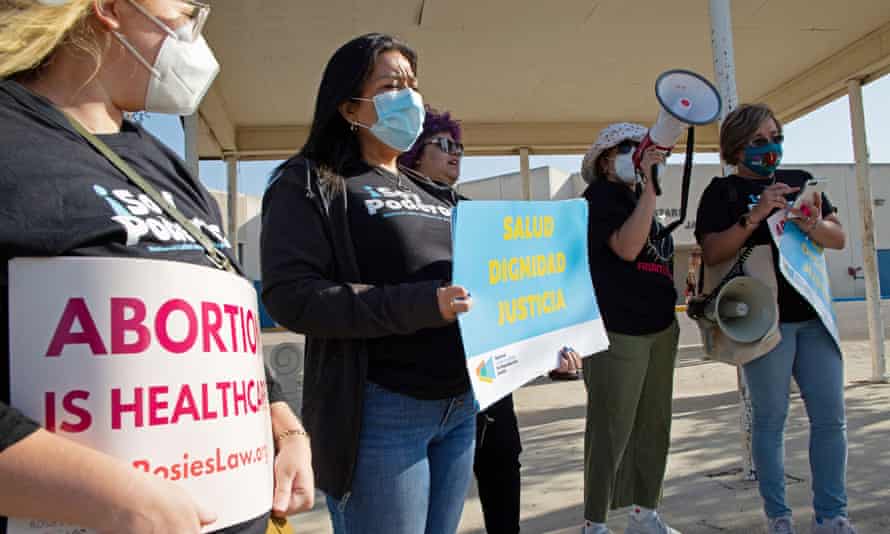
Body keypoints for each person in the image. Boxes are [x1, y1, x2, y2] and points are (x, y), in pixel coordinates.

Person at [0, 1, 313, 533]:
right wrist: (104, 495)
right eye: (188, 12)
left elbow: (212, 325)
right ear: (109, 9)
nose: (197, 34)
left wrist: (281, 422)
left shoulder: (161, 164)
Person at [260, 34, 477, 534]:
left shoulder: (436, 191)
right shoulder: (310, 180)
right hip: (382, 412)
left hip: (459, 408)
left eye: (414, 85)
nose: (411, 98)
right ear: (348, 107)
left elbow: (486, 280)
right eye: (391, 84)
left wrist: (541, 332)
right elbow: (292, 296)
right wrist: (423, 304)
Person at [399, 108, 582, 534]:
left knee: (502, 462)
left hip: (487, 374)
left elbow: (515, 295)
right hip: (421, 381)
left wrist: (546, 354)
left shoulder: (481, 218)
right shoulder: (396, 214)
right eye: (443, 144)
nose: (455, 154)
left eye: (458, 146)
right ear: (413, 152)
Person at [695, 104, 853, 534]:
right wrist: (755, 215)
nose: (770, 148)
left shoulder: (801, 181)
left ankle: (832, 517)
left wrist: (811, 222)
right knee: (770, 420)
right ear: (736, 148)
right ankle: (778, 518)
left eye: (775, 137)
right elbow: (712, 252)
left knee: (830, 418)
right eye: (758, 142)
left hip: (814, 318)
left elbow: (837, 238)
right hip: (763, 322)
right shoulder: (721, 192)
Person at [579, 123, 681, 534]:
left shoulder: (640, 200)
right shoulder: (600, 198)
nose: (639, 156)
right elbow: (625, 248)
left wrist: (648, 194)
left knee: (653, 424)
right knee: (610, 428)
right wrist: (652, 194)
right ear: (606, 159)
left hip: (658, 328)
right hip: (618, 330)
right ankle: (596, 522)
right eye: (630, 149)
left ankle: (645, 513)